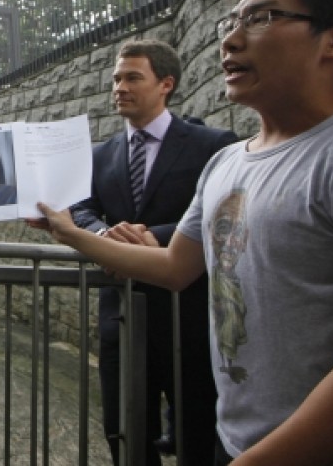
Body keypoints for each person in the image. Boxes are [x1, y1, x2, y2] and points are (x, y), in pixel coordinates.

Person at [35, 0, 333, 466]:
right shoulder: (227, 163)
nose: (229, 39)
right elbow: (174, 267)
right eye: (231, 21)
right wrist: (69, 231)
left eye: (262, 18)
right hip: (232, 441)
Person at [70, 39, 236, 466]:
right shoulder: (98, 154)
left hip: (190, 315)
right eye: (115, 79)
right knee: (123, 431)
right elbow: (81, 208)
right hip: (121, 316)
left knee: (197, 432)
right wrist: (106, 233)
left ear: (166, 83)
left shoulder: (212, 144)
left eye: (131, 78)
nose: (118, 88)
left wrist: (152, 235)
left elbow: (220, 209)